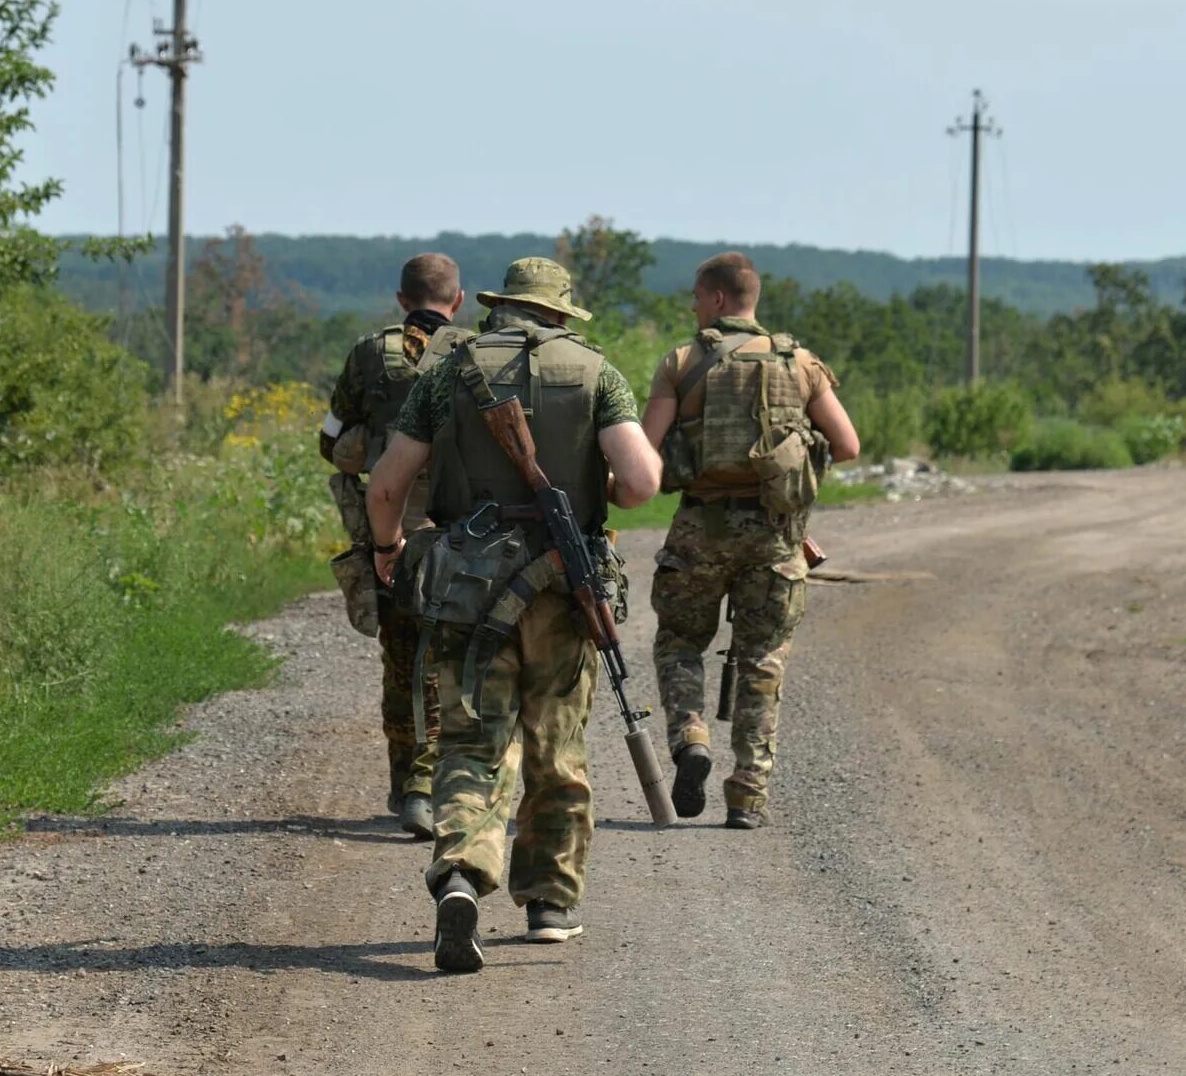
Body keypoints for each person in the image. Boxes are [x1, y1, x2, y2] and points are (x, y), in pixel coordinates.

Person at [364, 257, 661, 973]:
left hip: (467, 587)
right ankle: (550, 904)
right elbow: (642, 482)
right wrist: (599, 493)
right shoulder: (597, 372)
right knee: (556, 743)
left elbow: (386, 486)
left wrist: (387, 550)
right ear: (558, 315)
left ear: (498, 308)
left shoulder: (448, 372)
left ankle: (462, 875)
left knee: (470, 740)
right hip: (563, 585)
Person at [639, 251, 861, 830]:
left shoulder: (682, 362)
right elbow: (849, 445)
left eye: (695, 296)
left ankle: (691, 739)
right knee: (763, 660)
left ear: (716, 299)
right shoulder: (800, 363)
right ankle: (747, 797)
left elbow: (645, 455)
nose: (692, 306)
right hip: (774, 535)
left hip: (698, 531)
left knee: (679, 643)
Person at [319, 253, 471, 840]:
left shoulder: (369, 353)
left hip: (393, 529)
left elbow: (332, 440)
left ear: (401, 299)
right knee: (458, 659)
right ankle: (441, 784)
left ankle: (407, 780)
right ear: (456, 302)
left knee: (401, 656)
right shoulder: (477, 353)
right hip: (464, 531)